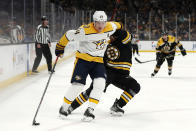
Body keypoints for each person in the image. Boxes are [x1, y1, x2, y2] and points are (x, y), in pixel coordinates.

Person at [55, 11, 122, 121]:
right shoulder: (84, 31)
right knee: (78, 86)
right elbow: (69, 34)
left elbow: (119, 25)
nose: (101, 25)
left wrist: (121, 30)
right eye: (98, 23)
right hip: (83, 60)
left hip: (98, 62)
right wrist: (60, 47)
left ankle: (90, 110)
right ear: (94, 22)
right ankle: (64, 107)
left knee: (100, 84)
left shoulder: (110, 27)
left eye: (103, 22)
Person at [59, 29, 141, 117]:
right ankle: (71, 106)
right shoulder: (106, 43)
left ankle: (117, 106)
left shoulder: (125, 40)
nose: (110, 37)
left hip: (122, 75)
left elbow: (123, 32)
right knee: (92, 91)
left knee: (135, 86)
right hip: (108, 72)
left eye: (111, 35)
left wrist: (109, 29)